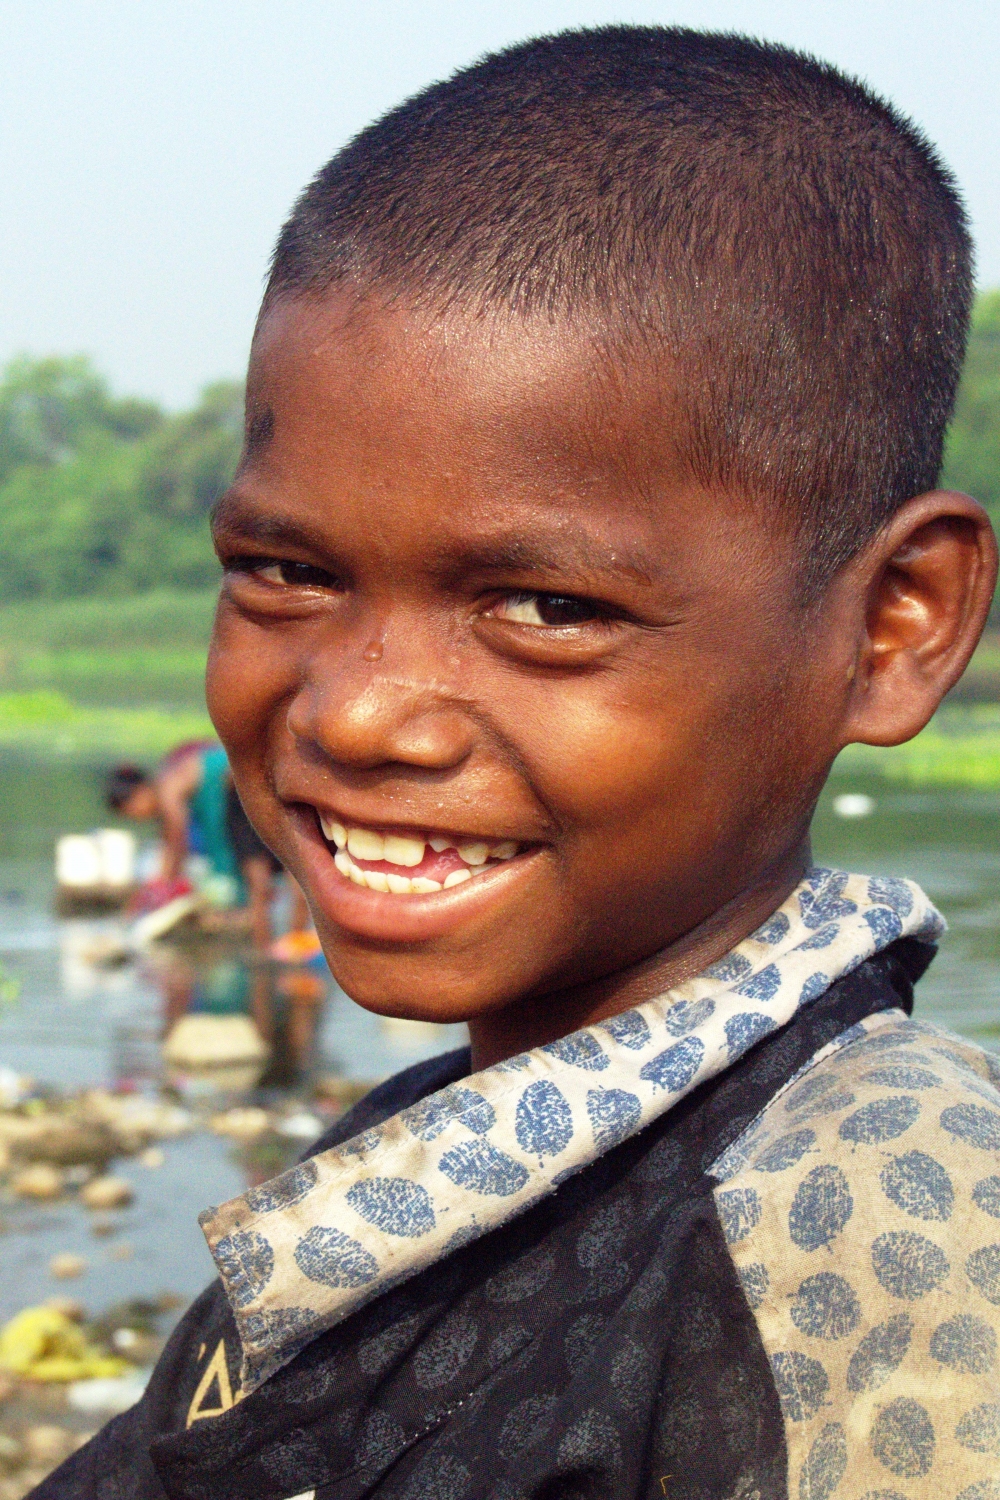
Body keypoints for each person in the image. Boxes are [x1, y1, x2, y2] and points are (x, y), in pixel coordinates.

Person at [40, 27, 1000, 1500]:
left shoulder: (878, 1229)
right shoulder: (420, 1164)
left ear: (892, 627)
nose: (359, 718)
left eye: (549, 609)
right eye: (284, 569)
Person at [106, 742, 287, 950]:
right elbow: (169, 849)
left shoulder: (167, 788)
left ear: (140, 793)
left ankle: (255, 923)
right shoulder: (169, 790)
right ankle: (255, 916)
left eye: (131, 811)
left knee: (232, 855)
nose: (137, 817)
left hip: (227, 780)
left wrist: (165, 886)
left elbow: (177, 840)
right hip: (227, 780)